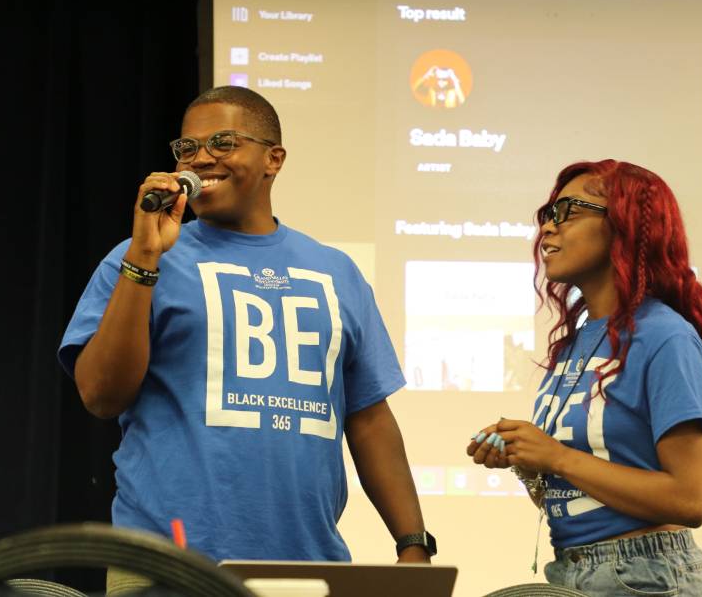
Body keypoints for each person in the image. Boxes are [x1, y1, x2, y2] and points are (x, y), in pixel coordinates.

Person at [59, 86, 434, 592]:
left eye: (223, 141)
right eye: (187, 149)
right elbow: (101, 395)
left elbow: (368, 419)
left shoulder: (336, 272)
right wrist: (145, 259)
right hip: (167, 566)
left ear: (273, 159)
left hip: (306, 566)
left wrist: (412, 543)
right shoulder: (138, 257)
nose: (201, 158)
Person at [467, 160, 702, 596]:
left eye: (569, 212)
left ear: (625, 226)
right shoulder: (576, 345)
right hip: (576, 571)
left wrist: (556, 457)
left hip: (648, 576)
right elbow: (587, 496)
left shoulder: (664, 337)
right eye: (547, 216)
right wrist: (528, 461)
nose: (548, 230)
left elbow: (691, 500)